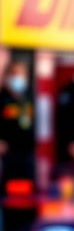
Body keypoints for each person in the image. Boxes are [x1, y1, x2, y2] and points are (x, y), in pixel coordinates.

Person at [0, 58, 34, 193]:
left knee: (26, 194)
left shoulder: (26, 99)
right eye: (16, 74)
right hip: (8, 157)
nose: (20, 78)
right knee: (9, 196)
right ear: (7, 76)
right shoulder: (2, 99)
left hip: (26, 155)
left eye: (23, 74)